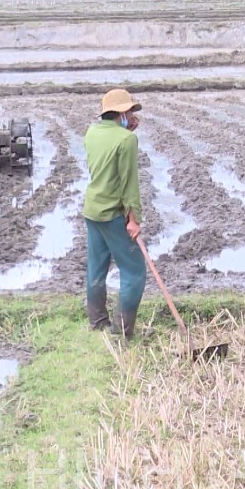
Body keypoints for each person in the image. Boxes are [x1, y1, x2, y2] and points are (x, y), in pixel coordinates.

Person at [82, 88, 145, 339]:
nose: (132, 114)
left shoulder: (92, 132)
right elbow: (129, 183)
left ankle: (97, 322)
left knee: (96, 267)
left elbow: (107, 159)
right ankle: (122, 332)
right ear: (120, 112)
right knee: (134, 272)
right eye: (129, 110)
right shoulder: (126, 140)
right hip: (112, 214)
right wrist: (133, 219)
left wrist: (125, 132)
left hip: (92, 210)